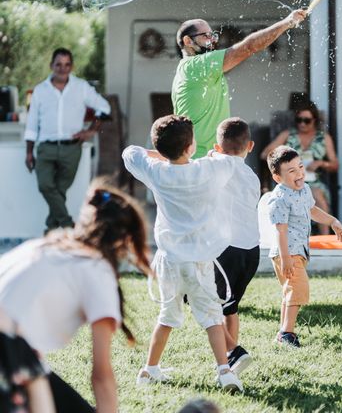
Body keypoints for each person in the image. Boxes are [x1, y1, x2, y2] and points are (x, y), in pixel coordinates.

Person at [0, 181, 151, 412]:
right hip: (9, 355)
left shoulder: (44, 246)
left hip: (17, 354)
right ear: (123, 241)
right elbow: (101, 376)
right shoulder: (96, 270)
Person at [123, 115, 242, 392]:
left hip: (170, 261)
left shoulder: (156, 172)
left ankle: (149, 369)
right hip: (199, 261)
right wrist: (210, 153)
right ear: (190, 147)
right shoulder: (208, 170)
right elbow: (230, 159)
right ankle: (224, 371)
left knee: (167, 314)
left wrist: (160, 155)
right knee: (212, 316)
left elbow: (130, 153)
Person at [172, 10, 307, 159]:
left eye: (213, 35)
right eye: (206, 36)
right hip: (200, 160)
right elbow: (249, 47)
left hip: (203, 158)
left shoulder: (190, 69)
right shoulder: (196, 65)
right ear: (187, 41)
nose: (212, 40)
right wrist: (287, 22)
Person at [266, 145, 342, 347]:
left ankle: (283, 331)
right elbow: (280, 231)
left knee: (290, 291)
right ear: (278, 178)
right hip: (287, 252)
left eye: (300, 167)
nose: (299, 173)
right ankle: (287, 333)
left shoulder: (304, 190)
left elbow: (312, 210)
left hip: (298, 251)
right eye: (291, 171)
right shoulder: (280, 198)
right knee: (298, 289)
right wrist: (285, 258)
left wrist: (332, 221)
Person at [24, 48, 111, 233]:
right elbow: (31, 124)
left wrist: (90, 131)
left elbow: (104, 107)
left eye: (67, 64)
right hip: (46, 148)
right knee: (45, 185)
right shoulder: (40, 90)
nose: (63, 68)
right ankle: (68, 224)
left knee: (60, 190)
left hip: (71, 149)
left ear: (71, 66)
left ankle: (51, 229)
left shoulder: (81, 87)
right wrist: (28, 152)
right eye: (58, 64)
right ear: (51, 66)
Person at [210, 117, 260, 375]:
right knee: (231, 306)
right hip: (251, 251)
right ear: (250, 146)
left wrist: (211, 155)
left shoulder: (215, 166)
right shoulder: (251, 176)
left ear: (217, 147)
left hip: (227, 251)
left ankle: (230, 356)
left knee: (212, 308)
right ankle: (231, 356)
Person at [260, 102, 339, 235]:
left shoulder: (324, 138)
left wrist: (321, 163)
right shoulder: (287, 134)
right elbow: (265, 154)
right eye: (299, 120)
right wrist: (284, 159)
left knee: (317, 194)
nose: (302, 124)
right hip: (289, 181)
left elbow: (335, 165)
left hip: (313, 181)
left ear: (314, 120)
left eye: (306, 120)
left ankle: (324, 240)